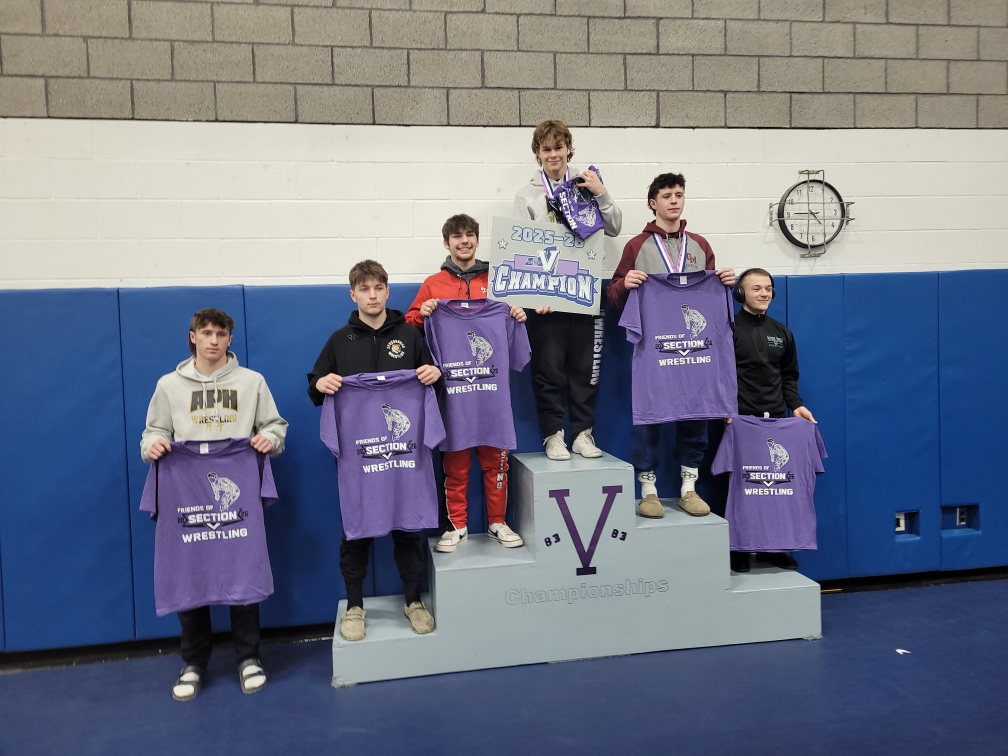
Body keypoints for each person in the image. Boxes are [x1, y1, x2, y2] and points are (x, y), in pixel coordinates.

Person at [141, 307, 288, 702]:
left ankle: (249, 657)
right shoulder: (169, 385)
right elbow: (153, 431)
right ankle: (194, 662)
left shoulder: (252, 382)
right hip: (186, 490)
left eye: (221, 334)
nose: (213, 340)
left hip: (237, 484)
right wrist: (152, 445)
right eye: (206, 333)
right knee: (189, 572)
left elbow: (275, 426)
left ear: (229, 339)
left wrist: (270, 440)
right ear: (193, 337)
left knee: (243, 566)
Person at [308, 260, 442, 642]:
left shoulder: (410, 336)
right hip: (360, 460)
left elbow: (433, 384)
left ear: (387, 291)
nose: (372, 295)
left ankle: (413, 601)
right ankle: (354, 606)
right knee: (356, 531)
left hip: (405, 459)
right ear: (353, 295)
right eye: (364, 289)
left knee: (408, 530)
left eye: (378, 288)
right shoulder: (339, 341)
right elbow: (314, 387)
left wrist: (436, 375)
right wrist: (321, 384)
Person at [607, 173, 736, 518]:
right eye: (667, 196)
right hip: (655, 350)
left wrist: (726, 283)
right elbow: (614, 295)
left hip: (696, 351)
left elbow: (713, 297)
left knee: (695, 412)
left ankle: (688, 488)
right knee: (648, 416)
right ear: (653, 203)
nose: (674, 200)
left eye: (679, 194)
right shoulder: (637, 246)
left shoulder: (700, 245)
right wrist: (625, 283)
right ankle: (648, 490)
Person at [406, 214, 528, 554]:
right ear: (447, 243)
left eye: (470, 235)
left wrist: (517, 317)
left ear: (476, 239)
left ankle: (497, 522)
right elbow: (411, 324)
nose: (464, 241)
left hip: (492, 398)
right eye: (457, 236)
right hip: (454, 398)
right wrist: (423, 313)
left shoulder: (498, 280)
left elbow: (517, 331)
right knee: (455, 466)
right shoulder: (433, 283)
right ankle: (457, 525)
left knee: (496, 463)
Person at [513, 119, 622, 461]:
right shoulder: (527, 196)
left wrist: (601, 193)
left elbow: (615, 227)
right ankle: (554, 435)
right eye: (546, 149)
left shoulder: (586, 186)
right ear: (537, 153)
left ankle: (582, 434)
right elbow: (523, 248)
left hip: (583, 290)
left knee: (584, 369)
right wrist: (536, 296)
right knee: (548, 371)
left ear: (569, 149)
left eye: (558, 147)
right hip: (546, 298)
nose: (553, 154)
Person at [728, 267, 816, 572]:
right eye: (756, 288)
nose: (764, 293)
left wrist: (796, 406)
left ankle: (772, 548)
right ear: (741, 293)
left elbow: (788, 376)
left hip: (776, 421)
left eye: (768, 288)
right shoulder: (728, 329)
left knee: (774, 488)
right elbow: (718, 375)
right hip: (738, 422)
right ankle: (738, 549)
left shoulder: (782, 332)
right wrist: (726, 410)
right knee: (740, 488)